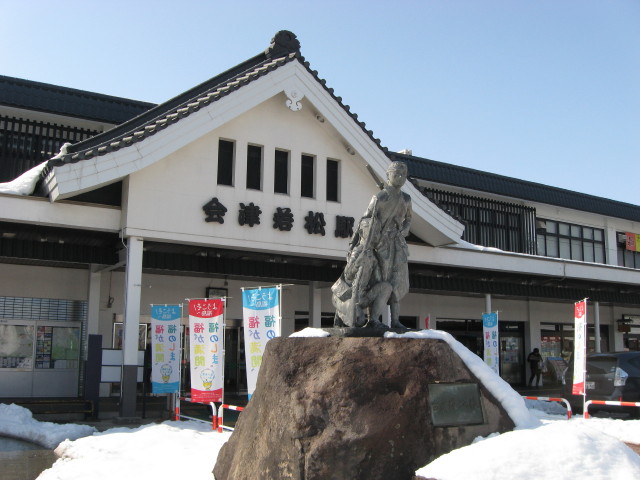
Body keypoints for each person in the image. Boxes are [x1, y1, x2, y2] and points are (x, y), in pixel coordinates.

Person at [362, 161, 412, 328]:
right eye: (396, 174)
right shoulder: (380, 197)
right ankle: (373, 319)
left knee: (398, 281)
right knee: (380, 280)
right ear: (388, 175)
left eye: (403, 175)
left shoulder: (406, 199)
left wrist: (404, 230)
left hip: (398, 244)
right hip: (381, 244)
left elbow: (409, 219)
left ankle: (395, 320)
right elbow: (366, 219)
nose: (400, 178)